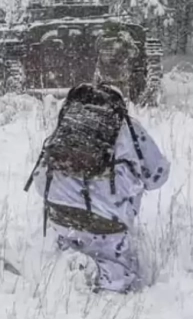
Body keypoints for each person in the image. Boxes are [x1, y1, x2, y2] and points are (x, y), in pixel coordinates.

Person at [28, 83, 170, 294]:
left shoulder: (68, 125)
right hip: (107, 224)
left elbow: (40, 182)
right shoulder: (128, 129)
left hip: (61, 216)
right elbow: (157, 177)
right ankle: (112, 293)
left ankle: (71, 275)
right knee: (114, 283)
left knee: (67, 269)